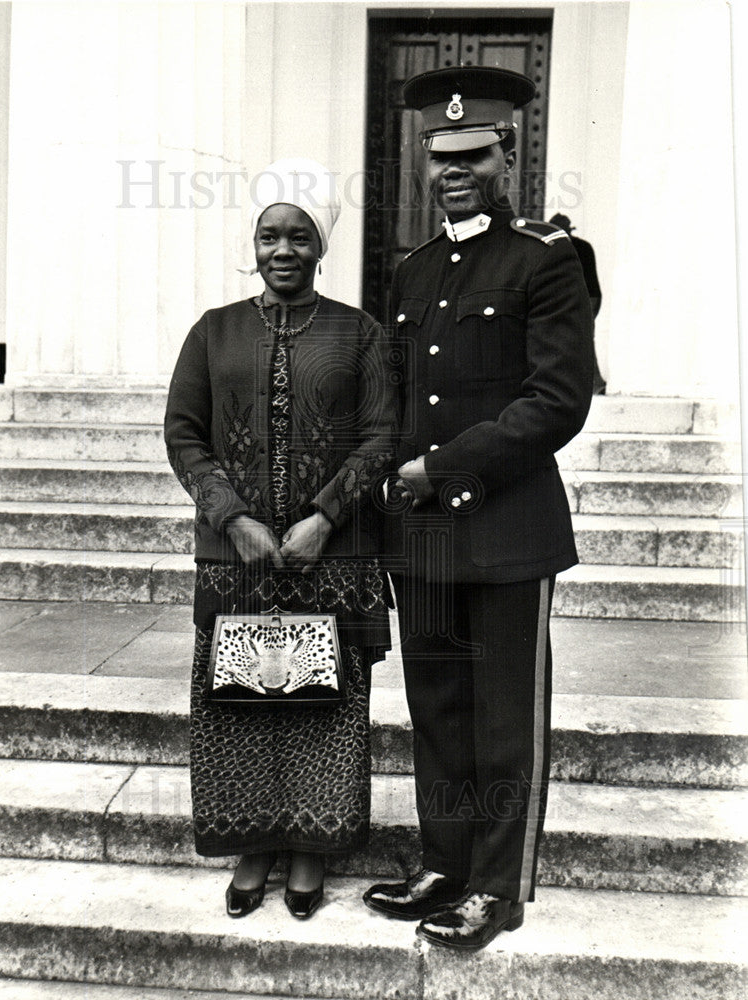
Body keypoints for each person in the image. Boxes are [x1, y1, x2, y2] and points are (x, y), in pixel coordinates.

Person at [363, 67, 593, 951]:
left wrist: (439, 468)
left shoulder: (546, 260)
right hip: (420, 539)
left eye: (473, 152)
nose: (454, 167)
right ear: (424, 162)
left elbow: (555, 402)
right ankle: (445, 865)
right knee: (438, 711)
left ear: (507, 157)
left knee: (503, 717)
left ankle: (497, 888)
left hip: (506, 529)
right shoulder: (413, 272)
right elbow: (391, 396)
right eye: (439, 153)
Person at [165, 158, 396, 921]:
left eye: (300, 236)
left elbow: (380, 434)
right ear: (253, 244)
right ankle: (253, 844)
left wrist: (326, 514)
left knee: (323, 704)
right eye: (270, 235)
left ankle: (309, 850)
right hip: (235, 558)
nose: (284, 249)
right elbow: (184, 435)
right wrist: (234, 518)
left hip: (335, 556)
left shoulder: (358, 333)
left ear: (320, 248)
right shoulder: (213, 331)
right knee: (240, 699)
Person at [549, 212, 606, 394]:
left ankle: (595, 384)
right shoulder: (583, 246)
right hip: (591, 297)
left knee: (581, 339)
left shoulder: (566, 248)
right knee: (581, 338)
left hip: (583, 298)